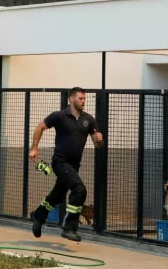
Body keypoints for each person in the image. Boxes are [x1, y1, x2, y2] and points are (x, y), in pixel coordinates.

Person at [28, 87, 104, 242]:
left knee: (58, 195)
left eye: (84, 98)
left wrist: (100, 140)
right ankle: (69, 227)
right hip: (60, 163)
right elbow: (40, 127)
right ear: (71, 99)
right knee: (79, 189)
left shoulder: (88, 120)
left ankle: (38, 214)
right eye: (80, 98)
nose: (83, 101)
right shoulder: (59, 116)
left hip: (74, 166)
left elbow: (97, 144)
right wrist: (34, 147)